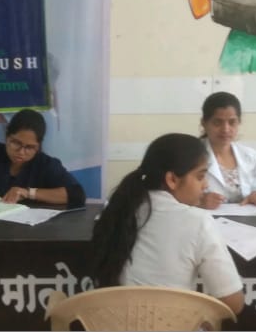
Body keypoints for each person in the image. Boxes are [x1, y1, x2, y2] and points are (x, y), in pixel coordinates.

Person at [91, 133, 244, 316]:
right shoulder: (198, 222)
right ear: (172, 180)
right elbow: (232, 302)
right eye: (200, 177)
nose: (205, 185)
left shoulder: (117, 212)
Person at [198, 92, 256, 209]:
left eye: (232, 122)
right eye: (217, 122)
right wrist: (198, 202)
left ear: (239, 122)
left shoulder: (253, 157)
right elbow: (175, 198)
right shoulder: (188, 155)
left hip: (247, 218)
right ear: (204, 123)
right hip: (203, 217)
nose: (225, 129)